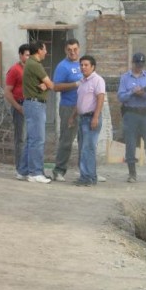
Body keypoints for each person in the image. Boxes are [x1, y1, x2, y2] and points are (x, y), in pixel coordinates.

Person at [117, 52, 146, 183]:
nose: (139, 67)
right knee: (130, 143)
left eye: (142, 64)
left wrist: (143, 93)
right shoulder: (125, 78)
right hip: (131, 114)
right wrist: (132, 92)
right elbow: (120, 96)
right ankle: (132, 174)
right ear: (133, 63)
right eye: (137, 64)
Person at [22, 40, 55, 183]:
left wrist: (45, 85)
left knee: (31, 140)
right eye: (45, 49)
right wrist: (47, 85)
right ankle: (35, 173)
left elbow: (46, 84)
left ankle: (23, 171)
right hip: (36, 105)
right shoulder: (36, 65)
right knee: (38, 140)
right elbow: (51, 84)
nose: (46, 52)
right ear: (39, 50)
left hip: (31, 104)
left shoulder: (29, 63)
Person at [70, 55, 105, 186]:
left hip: (91, 118)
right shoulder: (82, 81)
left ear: (93, 67)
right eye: (81, 65)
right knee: (83, 149)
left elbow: (100, 99)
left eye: (86, 65)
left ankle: (89, 178)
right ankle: (85, 176)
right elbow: (79, 102)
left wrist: (96, 117)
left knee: (88, 149)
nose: (83, 67)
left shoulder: (98, 80)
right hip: (82, 119)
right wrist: (72, 116)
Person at [52, 38, 83, 182]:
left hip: (85, 108)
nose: (72, 52)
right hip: (69, 107)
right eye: (69, 50)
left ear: (79, 49)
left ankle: (86, 171)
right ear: (66, 50)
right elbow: (56, 87)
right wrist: (75, 84)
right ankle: (59, 171)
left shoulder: (83, 64)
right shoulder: (62, 66)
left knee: (86, 141)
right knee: (66, 140)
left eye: (75, 49)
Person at [4, 44, 30, 180]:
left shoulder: (32, 69)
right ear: (20, 55)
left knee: (30, 138)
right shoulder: (14, 70)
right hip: (19, 106)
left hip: (31, 106)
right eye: (26, 55)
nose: (29, 57)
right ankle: (20, 169)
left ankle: (27, 168)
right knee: (20, 139)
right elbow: (7, 92)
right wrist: (18, 107)